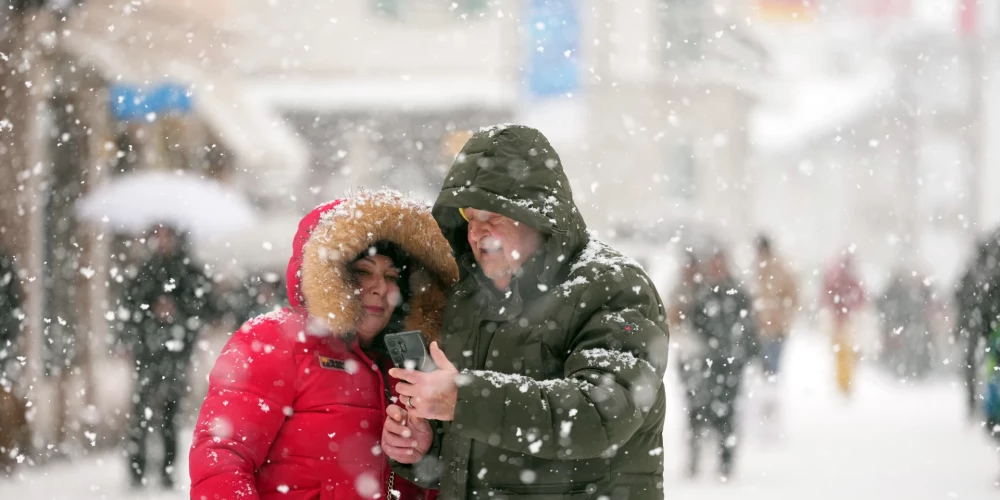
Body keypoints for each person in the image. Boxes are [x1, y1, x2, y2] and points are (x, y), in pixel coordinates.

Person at [381, 124, 670, 499]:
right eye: (470, 217)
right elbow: (480, 444)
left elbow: (599, 415)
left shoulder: (611, 286)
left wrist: (464, 399)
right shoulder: (468, 297)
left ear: (538, 217)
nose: (477, 232)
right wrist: (425, 448)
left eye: (494, 216)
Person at [189, 190, 458, 500]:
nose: (380, 287)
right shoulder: (275, 339)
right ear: (331, 276)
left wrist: (423, 456)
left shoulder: (416, 364)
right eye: (362, 272)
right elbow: (221, 457)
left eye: (391, 275)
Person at [119, 224, 217, 489]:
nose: (162, 242)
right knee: (140, 414)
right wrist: (151, 313)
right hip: (147, 352)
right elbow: (129, 309)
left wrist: (178, 311)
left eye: (167, 237)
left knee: (170, 415)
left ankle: (167, 471)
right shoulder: (144, 271)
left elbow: (207, 308)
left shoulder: (189, 271)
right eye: (158, 237)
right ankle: (137, 471)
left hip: (177, 353)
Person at [683, 247, 758, 480]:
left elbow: (749, 327)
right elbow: (694, 323)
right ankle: (695, 459)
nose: (717, 269)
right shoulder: (703, 294)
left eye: (720, 264)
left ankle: (726, 461)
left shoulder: (738, 293)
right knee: (699, 410)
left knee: (727, 411)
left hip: (732, 363)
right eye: (714, 264)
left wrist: (747, 353)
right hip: (707, 363)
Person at [753, 235, 798, 433]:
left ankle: (771, 408)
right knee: (765, 369)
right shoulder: (755, 270)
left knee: (772, 369)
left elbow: (794, 295)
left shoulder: (779, 269)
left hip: (776, 329)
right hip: (760, 329)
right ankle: (765, 407)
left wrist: (783, 315)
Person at [822, 252, 867, 397]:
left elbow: (827, 295)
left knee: (841, 353)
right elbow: (860, 298)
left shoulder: (836, 278)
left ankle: (843, 382)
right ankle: (844, 383)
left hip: (840, 321)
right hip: (846, 320)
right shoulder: (850, 279)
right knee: (844, 353)